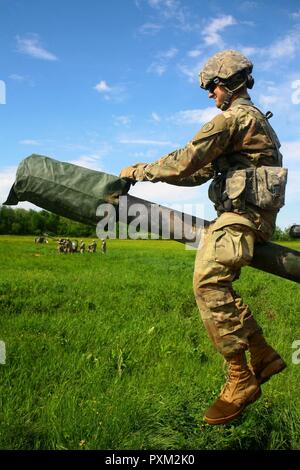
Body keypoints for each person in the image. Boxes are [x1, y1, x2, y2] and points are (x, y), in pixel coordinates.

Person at [119, 50, 287, 425]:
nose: (211, 95)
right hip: (246, 216)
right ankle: (262, 354)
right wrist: (153, 179)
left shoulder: (233, 118)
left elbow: (187, 158)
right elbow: (196, 172)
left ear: (228, 85)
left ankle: (240, 378)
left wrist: (140, 170)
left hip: (242, 218)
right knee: (221, 287)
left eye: (212, 88)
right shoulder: (251, 121)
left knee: (207, 282)